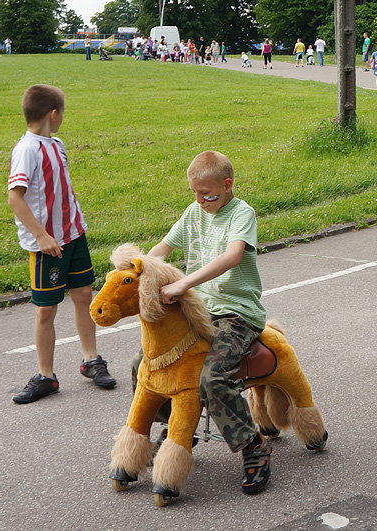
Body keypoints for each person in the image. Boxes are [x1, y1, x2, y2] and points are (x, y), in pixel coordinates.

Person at [143, 150, 272, 494]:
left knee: (212, 377)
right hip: (200, 311)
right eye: (195, 193)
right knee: (147, 367)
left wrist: (184, 283)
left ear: (227, 186)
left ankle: (253, 444)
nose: (200, 200)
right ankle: (178, 430)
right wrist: (136, 270)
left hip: (236, 313)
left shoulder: (241, 213)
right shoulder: (192, 213)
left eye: (208, 194)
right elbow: (162, 249)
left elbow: (232, 256)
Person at [8, 84, 116, 404]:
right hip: (48, 246)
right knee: (46, 311)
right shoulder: (26, 149)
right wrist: (41, 236)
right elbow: (15, 198)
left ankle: (91, 360)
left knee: (84, 295)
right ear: (53, 114)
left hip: (74, 236)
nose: (63, 118)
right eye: (62, 113)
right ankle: (45, 376)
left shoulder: (57, 144)